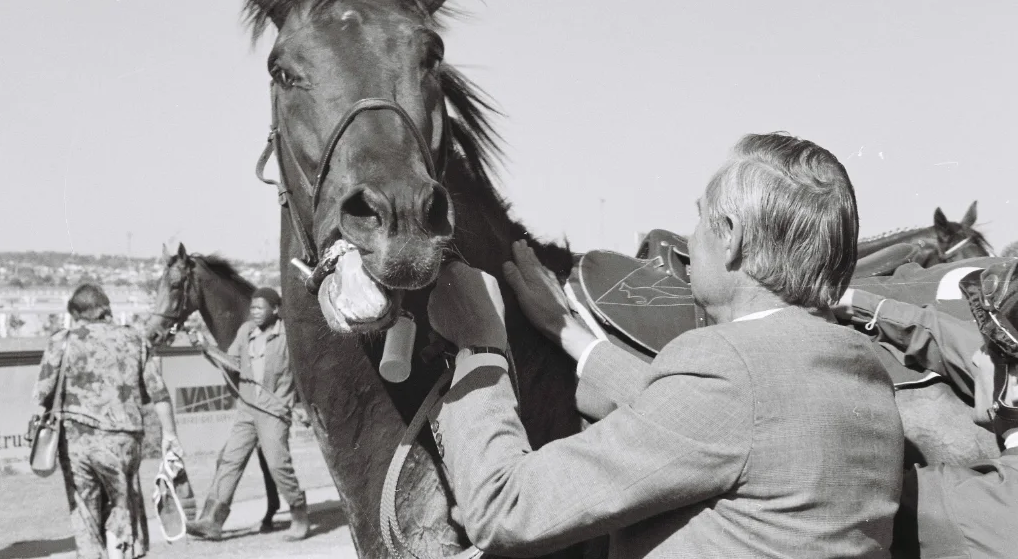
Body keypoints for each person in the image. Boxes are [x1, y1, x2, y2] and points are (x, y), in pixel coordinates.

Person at [427, 132, 906, 558]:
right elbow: (719, 419)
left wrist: (481, 347)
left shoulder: (726, 371)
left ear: (732, 240)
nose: (688, 238)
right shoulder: (861, 370)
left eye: (699, 220)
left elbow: (504, 508)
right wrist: (572, 336)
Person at [833, 258, 1018, 558]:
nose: (975, 358)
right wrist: (867, 306)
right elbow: (955, 341)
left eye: (988, 349)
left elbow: (842, 498)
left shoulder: (955, 504)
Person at [32, 284, 181, 559]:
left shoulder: (61, 340)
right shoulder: (135, 340)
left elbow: (42, 394)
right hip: (125, 440)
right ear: (107, 310)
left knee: (85, 511)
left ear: (75, 314)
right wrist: (170, 436)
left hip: (77, 441)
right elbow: (159, 394)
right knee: (123, 504)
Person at [186, 287, 310, 541]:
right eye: (252, 307)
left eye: (259, 308)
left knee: (277, 464)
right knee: (229, 460)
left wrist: (303, 408)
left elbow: (304, 375)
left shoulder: (289, 337)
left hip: (274, 413)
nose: (253, 312)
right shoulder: (245, 332)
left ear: (275, 310)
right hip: (246, 411)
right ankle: (212, 520)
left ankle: (299, 513)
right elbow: (234, 365)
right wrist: (207, 348)